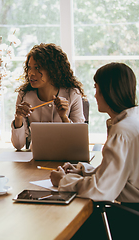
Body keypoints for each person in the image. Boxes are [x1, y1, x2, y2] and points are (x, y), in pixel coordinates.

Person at [50, 62, 139, 239]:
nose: (95, 95)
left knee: (61, 225)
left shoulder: (122, 132)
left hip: (130, 219)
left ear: (109, 91)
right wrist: (84, 171)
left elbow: (102, 190)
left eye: (97, 89)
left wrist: (64, 180)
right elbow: (120, 173)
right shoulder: (133, 120)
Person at [11, 43, 85, 150]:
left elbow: (78, 141)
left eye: (37, 68)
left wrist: (64, 117)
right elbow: (18, 145)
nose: (31, 73)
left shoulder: (72, 94)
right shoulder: (24, 95)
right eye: (29, 68)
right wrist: (18, 118)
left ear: (53, 70)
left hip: (66, 158)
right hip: (36, 158)